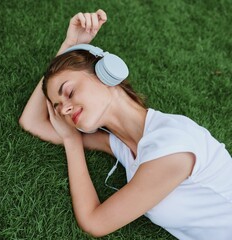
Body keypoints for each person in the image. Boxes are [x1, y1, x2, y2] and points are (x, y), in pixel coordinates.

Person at [19, 9, 232, 239]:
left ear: (105, 73)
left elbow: (94, 222)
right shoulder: (125, 144)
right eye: (58, 107)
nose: (64, 110)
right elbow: (31, 122)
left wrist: (72, 141)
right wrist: (70, 44)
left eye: (69, 92)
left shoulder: (171, 145)